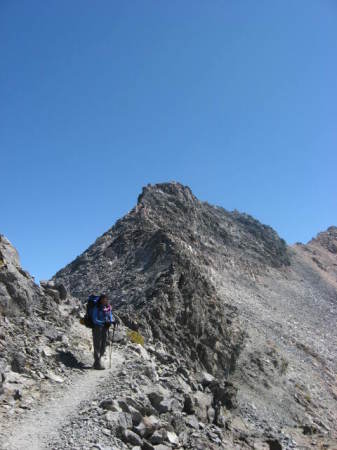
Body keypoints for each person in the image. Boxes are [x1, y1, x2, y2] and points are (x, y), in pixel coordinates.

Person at [91, 294, 113, 370]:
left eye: (106, 299)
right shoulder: (96, 307)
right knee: (97, 344)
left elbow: (110, 316)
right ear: (100, 300)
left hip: (105, 328)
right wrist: (103, 322)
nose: (105, 300)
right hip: (97, 328)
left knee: (104, 344)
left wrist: (112, 321)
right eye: (103, 299)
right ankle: (97, 363)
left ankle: (99, 361)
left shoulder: (108, 307)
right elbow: (94, 319)